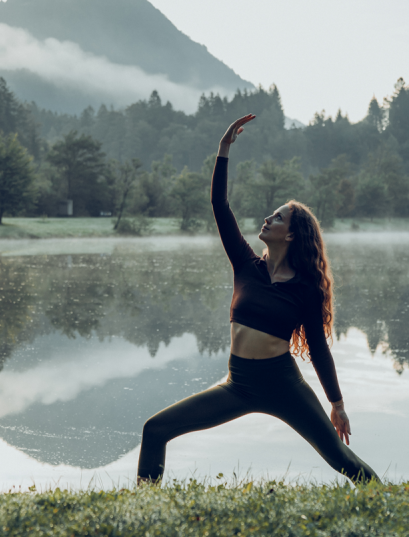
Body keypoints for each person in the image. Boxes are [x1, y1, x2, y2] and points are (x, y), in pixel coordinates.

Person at [136, 114, 379, 485]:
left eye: (277, 217)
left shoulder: (305, 289)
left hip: (284, 385)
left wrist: (337, 403)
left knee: (341, 458)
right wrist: (223, 150)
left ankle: (389, 499)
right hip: (238, 384)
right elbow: (220, 206)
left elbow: (317, 348)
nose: (267, 219)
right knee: (155, 429)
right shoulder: (246, 265)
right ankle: (142, 507)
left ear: (292, 235)